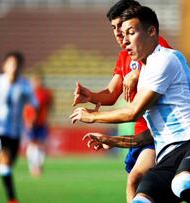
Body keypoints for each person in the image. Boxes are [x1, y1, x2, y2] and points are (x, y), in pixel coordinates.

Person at [71, 6, 190, 203]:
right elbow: (150, 134)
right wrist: (112, 140)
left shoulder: (166, 58)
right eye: (120, 32)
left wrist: (92, 116)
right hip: (168, 154)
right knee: (140, 199)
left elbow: (133, 112)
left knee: (183, 183)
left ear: (151, 31)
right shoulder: (144, 73)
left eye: (130, 32)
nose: (124, 38)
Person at [72, 1, 172, 202]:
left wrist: (138, 73)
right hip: (140, 134)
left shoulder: (156, 44)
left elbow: (163, 66)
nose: (118, 33)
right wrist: (90, 95)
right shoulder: (124, 56)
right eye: (114, 28)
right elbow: (111, 93)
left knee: (136, 180)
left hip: (159, 133)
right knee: (143, 188)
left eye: (121, 26)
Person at [0, 51, 38, 203]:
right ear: (4, 66)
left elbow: (34, 105)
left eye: (17, 65)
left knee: (7, 166)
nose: (13, 68)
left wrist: (30, 118)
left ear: (21, 67)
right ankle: (12, 198)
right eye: (11, 64)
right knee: (4, 160)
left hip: (16, 132)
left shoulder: (25, 85)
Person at [23, 73, 53, 177]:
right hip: (31, 122)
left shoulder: (46, 93)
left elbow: (49, 106)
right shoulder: (30, 93)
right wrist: (28, 120)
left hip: (41, 122)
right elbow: (27, 108)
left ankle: (38, 166)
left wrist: (47, 116)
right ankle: (33, 166)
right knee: (33, 144)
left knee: (41, 145)